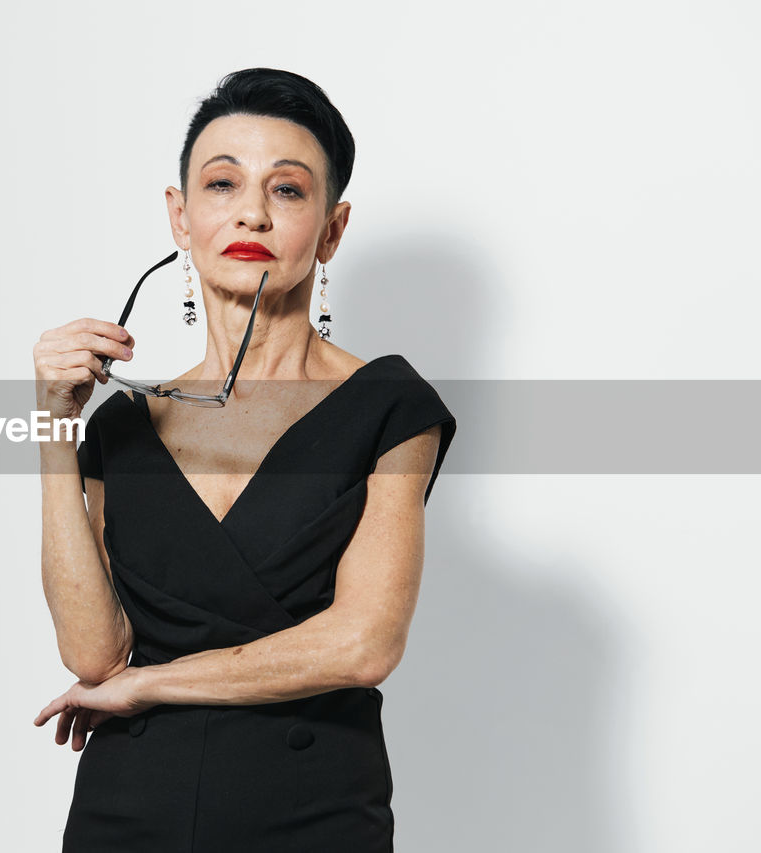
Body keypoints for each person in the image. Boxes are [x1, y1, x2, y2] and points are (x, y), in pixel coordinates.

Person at [30, 68, 457, 852]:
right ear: (180, 215)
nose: (252, 211)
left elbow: (364, 643)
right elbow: (92, 653)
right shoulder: (122, 423)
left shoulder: (389, 404)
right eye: (222, 183)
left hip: (311, 811)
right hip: (127, 810)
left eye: (289, 191)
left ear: (332, 229)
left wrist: (149, 684)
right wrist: (55, 427)